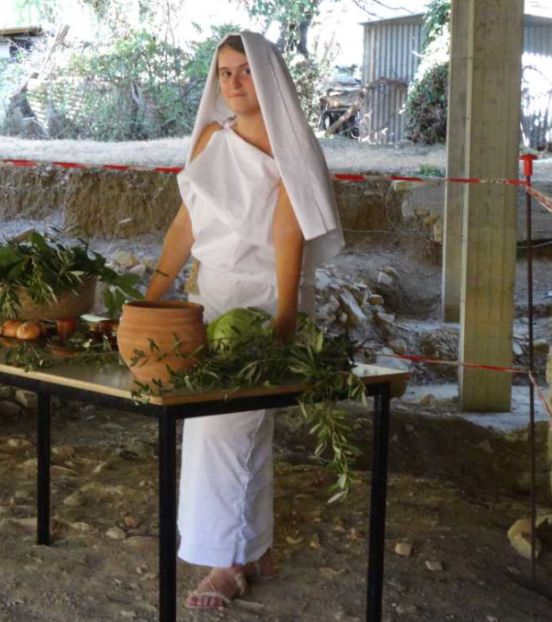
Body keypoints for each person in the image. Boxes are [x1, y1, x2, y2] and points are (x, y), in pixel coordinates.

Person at [143, 31, 344, 610]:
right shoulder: (211, 138)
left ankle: (228, 563)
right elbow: (187, 223)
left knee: (229, 428)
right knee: (219, 427)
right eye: (225, 73)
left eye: (245, 72)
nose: (232, 83)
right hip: (212, 300)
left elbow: (289, 236)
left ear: (268, 78)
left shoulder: (291, 149)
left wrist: (285, 318)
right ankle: (251, 548)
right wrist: (154, 293)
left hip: (264, 301)